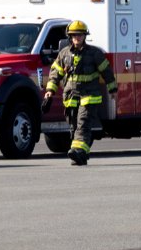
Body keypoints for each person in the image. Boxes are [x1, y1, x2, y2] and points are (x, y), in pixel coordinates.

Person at [43, 20, 118, 166]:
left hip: (89, 96)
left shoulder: (94, 53)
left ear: (85, 36)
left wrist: (112, 89)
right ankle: (82, 154)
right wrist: (49, 91)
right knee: (74, 126)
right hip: (71, 97)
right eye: (74, 35)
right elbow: (55, 74)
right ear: (70, 37)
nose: (77, 37)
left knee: (83, 123)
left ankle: (76, 150)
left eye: (80, 35)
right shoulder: (64, 54)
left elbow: (106, 71)